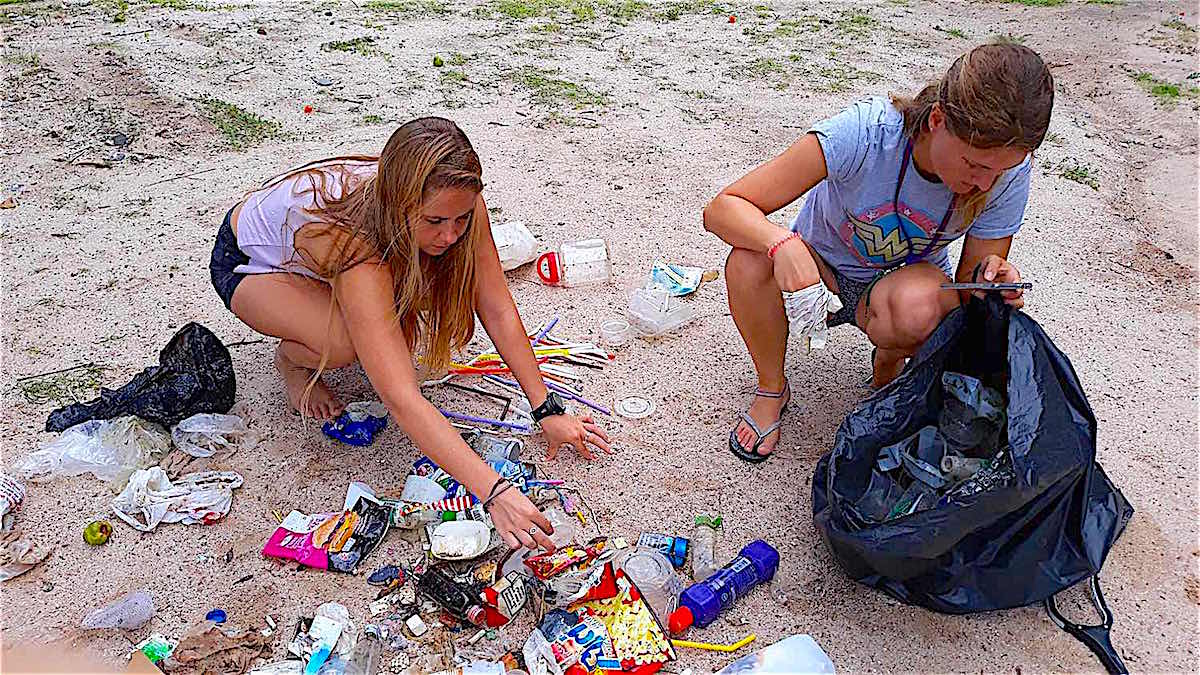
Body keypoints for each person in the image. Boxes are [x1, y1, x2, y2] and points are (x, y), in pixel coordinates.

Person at [207, 117, 611, 549]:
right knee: (344, 343)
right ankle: (294, 360)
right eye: (435, 221)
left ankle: (330, 313)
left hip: (337, 249)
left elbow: (496, 307)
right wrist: (493, 491)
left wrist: (545, 407)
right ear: (400, 204)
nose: (451, 234)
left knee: (391, 323)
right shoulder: (358, 250)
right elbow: (401, 399)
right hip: (249, 262)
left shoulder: (456, 204)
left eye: (460, 219)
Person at [703, 43, 1053, 463]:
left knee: (923, 307)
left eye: (999, 172)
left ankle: (890, 359)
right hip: (821, 275)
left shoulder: (1004, 173)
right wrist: (783, 243)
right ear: (937, 120)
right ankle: (772, 388)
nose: (984, 184)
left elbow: (967, 292)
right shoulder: (867, 133)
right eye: (974, 165)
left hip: (900, 291)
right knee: (749, 261)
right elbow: (722, 208)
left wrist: (993, 282)